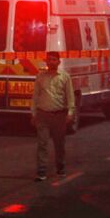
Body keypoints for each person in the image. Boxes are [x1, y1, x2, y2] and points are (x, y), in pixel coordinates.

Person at [30, 51, 75, 182]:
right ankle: (41, 171)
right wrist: (33, 113)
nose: (51, 62)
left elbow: (70, 97)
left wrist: (70, 113)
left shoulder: (65, 77)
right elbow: (35, 96)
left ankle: (60, 167)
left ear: (59, 62)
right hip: (43, 115)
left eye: (54, 60)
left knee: (59, 144)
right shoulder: (40, 77)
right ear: (46, 61)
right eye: (49, 60)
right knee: (42, 143)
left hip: (59, 115)